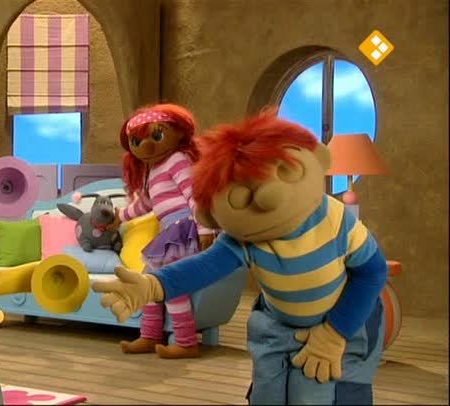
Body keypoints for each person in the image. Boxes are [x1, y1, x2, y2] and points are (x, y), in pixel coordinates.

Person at [94, 108, 387, 404]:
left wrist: (335, 332)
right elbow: (205, 266)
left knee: (315, 394)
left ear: (317, 160)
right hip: (278, 327)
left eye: (284, 172)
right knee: (267, 395)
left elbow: (372, 272)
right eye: (240, 197)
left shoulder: (336, 220)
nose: (267, 196)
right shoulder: (245, 237)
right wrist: (152, 285)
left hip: (339, 322)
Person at [113, 103, 217, 359]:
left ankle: (186, 341)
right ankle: (149, 335)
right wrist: (119, 217)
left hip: (183, 228)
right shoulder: (153, 170)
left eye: (156, 136)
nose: (146, 146)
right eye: (137, 142)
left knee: (171, 282)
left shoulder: (177, 160)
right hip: (168, 231)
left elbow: (194, 195)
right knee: (148, 282)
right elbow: (145, 205)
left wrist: (204, 228)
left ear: (177, 132)